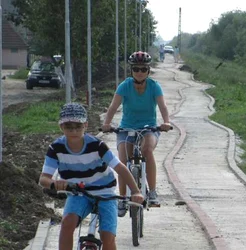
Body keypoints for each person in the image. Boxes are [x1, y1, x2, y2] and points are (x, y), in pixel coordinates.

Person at [38, 103, 144, 250]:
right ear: (61, 127)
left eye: (78, 126)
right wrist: (55, 183)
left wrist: (135, 191)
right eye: (69, 126)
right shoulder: (56, 148)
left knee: (108, 236)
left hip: (105, 193)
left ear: (85, 125)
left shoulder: (97, 145)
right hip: (77, 192)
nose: (74, 130)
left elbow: (120, 168)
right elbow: (43, 178)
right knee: (67, 224)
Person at [101, 51, 171, 217]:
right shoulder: (124, 86)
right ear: (131, 70)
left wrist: (166, 122)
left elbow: (162, 106)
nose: (140, 72)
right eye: (136, 69)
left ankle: (152, 192)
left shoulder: (154, 86)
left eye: (143, 69)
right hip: (126, 128)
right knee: (123, 159)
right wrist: (106, 124)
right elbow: (113, 107)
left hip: (149, 128)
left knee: (147, 150)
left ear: (148, 71)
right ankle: (122, 199)